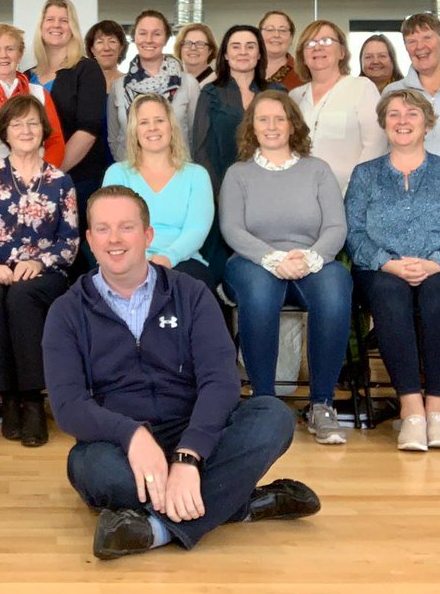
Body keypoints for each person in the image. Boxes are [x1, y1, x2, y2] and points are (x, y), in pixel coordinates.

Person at [42, 185, 319, 561]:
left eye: (126, 227)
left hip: (196, 431)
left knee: (273, 416)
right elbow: (69, 407)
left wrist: (189, 456)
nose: (115, 239)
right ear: (89, 239)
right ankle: (239, 502)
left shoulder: (191, 294)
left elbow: (220, 381)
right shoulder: (67, 311)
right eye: (103, 229)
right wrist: (133, 435)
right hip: (120, 446)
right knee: (93, 469)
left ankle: (154, 528)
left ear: (148, 235)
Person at [345, 89, 440, 451]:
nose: (402, 121)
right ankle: (411, 410)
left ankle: (438, 407)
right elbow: (354, 232)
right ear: (383, 124)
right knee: (390, 298)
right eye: (393, 114)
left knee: (438, 299)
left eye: (411, 114)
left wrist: (436, 261)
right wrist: (388, 263)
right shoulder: (365, 175)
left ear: (427, 123)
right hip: (382, 267)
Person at [219, 91, 353, 446]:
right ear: (252, 127)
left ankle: (321, 404)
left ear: (293, 124)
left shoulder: (317, 170)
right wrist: (273, 258)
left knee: (337, 286)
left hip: (312, 259)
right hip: (252, 261)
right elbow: (232, 229)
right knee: (260, 295)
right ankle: (264, 402)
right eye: (263, 119)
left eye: (280, 118)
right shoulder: (238, 174)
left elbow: (336, 228)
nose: (272, 126)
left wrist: (310, 258)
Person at [0, 94, 78, 447]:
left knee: (23, 297)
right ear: (4, 133)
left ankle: (30, 399)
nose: (25, 130)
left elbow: (69, 242)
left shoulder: (60, 181)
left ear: (44, 130)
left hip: (43, 272)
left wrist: (37, 262)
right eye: (17, 124)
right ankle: (6, 396)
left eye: (32, 123)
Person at [103, 94, 213, 289]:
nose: (152, 128)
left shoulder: (197, 175)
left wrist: (167, 258)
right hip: (126, 259)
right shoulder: (117, 174)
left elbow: (197, 229)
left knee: (191, 287)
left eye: (159, 120)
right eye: (144, 122)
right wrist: (142, 260)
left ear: (171, 126)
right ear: (134, 131)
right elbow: (111, 226)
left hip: (182, 260)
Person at [27, 0, 109, 243]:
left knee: (73, 254)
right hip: (30, 183)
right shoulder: (26, 76)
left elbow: (88, 129)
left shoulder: (87, 70)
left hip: (76, 179)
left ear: (73, 27)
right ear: (41, 26)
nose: (57, 25)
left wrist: (51, 174)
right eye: (50, 19)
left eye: (64, 20)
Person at [289, 19, 386, 194]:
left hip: (350, 196)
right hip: (301, 197)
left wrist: (353, 192)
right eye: (310, 43)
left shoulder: (361, 87)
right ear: (302, 55)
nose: (317, 47)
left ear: (342, 51)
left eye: (326, 41)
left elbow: (375, 146)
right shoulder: (295, 96)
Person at [192, 25, 285, 195]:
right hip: (221, 189)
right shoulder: (210, 93)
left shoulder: (277, 93)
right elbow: (200, 148)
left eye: (250, 46)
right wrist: (217, 192)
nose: (243, 52)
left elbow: (289, 143)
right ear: (226, 54)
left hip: (272, 189)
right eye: (236, 46)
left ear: (259, 54)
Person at [0, 23, 66, 169]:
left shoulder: (40, 94)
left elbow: (55, 142)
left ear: (20, 54)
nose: (3, 55)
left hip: (38, 178)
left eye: (10, 49)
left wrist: (43, 174)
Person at [107, 10, 199, 163]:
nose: (149, 40)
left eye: (156, 34)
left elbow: (194, 137)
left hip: (177, 171)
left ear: (166, 39)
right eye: (142, 33)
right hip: (131, 174)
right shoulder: (119, 87)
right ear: (134, 38)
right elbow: (114, 138)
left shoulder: (188, 84)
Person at [383, 12, 440, 159]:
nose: (420, 46)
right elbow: (385, 146)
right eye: (411, 41)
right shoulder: (392, 92)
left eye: (427, 37)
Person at [259, 11, 303, 91]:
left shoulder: (303, 74)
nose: (276, 35)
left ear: (291, 38)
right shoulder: (244, 68)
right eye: (270, 30)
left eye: (283, 30)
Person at [85, 19, 127, 91]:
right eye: (100, 42)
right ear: (92, 49)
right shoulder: (83, 85)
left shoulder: (130, 84)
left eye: (112, 41)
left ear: (121, 48)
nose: (106, 48)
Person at [174, 22, 218, 87]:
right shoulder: (171, 82)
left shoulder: (219, 85)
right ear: (180, 48)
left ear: (210, 51)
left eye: (200, 44)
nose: (193, 48)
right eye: (187, 43)